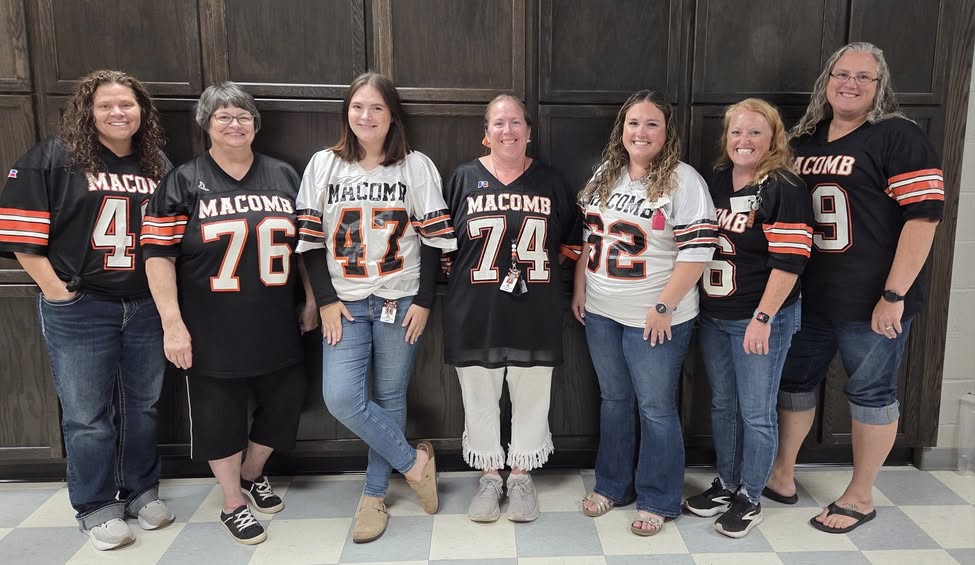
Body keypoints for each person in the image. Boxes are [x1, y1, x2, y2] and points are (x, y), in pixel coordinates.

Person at [766, 42, 944, 533]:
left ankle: (861, 494)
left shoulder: (897, 136)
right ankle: (782, 473)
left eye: (864, 77)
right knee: (794, 383)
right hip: (808, 296)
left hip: (871, 300)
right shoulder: (806, 138)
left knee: (870, 391)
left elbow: (924, 218)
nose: (851, 84)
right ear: (827, 81)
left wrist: (894, 294)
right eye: (842, 74)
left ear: (880, 86)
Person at [0, 70, 173, 550]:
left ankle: (140, 491)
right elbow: (20, 233)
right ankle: (96, 505)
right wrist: (56, 291)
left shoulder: (155, 161)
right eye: (106, 105)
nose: (119, 113)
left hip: (144, 304)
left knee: (143, 405)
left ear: (142, 111)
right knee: (86, 414)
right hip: (83, 305)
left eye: (128, 104)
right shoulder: (55, 157)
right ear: (88, 111)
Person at [142, 82, 318, 545]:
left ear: (256, 124)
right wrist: (172, 323)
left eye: (243, 115)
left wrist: (313, 298)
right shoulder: (183, 180)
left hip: (276, 317)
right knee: (218, 414)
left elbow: (304, 247)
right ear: (206, 125)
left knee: (286, 402)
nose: (234, 123)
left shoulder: (283, 175)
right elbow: (158, 254)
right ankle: (232, 501)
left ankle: (252, 472)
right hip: (210, 322)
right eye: (223, 116)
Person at [294, 72, 456, 543]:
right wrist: (324, 299)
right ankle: (414, 463)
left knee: (390, 396)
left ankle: (373, 493)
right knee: (342, 397)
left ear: (392, 116)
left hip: (398, 297)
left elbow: (432, 241)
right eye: (359, 107)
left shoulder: (415, 166)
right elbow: (308, 242)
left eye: (377, 108)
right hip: (344, 301)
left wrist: (424, 301)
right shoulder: (324, 164)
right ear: (347, 111)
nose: (366, 116)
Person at [572, 90, 717, 536]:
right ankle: (614, 485)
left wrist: (664, 305)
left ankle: (658, 497)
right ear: (622, 129)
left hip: (655, 315)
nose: (641, 132)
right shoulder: (606, 174)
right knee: (614, 400)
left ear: (667, 132)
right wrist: (580, 289)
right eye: (634, 123)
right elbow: (589, 238)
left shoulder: (683, 179)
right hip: (601, 310)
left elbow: (698, 252)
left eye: (652, 124)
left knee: (655, 408)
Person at [442, 94, 581, 524]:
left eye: (516, 122)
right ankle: (489, 475)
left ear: (529, 131)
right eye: (499, 123)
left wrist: (530, 270)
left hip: (534, 310)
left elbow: (572, 244)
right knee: (480, 396)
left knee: (532, 395)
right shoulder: (462, 178)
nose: (508, 130)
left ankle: (520, 475)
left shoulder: (552, 180)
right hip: (475, 310)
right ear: (486, 133)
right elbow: (444, 248)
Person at [683, 98, 814, 538]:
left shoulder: (783, 186)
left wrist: (763, 316)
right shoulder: (717, 181)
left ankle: (751, 496)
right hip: (717, 313)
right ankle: (728, 481)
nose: (744, 140)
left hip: (760, 317)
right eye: (737, 131)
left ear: (774, 138)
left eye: (755, 132)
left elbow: (791, 261)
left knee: (756, 411)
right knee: (723, 404)